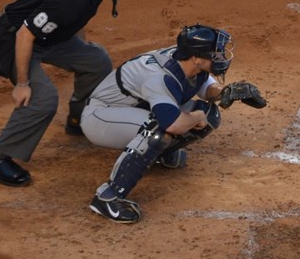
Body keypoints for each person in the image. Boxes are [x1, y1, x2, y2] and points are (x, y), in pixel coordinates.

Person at [0, 0, 133, 187]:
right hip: (11, 41)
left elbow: (75, 20)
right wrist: (23, 83)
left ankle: (78, 120)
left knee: (96, 60)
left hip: (48, 38)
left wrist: (79, 50)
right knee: (43, 98)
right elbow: (24, 35)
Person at [82, 24, 267, 224]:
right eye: (216, 53)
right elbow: (173, 125)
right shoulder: (159, 77)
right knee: (157, 131)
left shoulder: (187, 60)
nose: (221, 56)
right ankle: (108, 197)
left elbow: (204, 86)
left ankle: (158, 154)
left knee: (209, 114)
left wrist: (225, 93)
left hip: (137, 107)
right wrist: (196, 117)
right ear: (197, 57)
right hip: (101, 116)